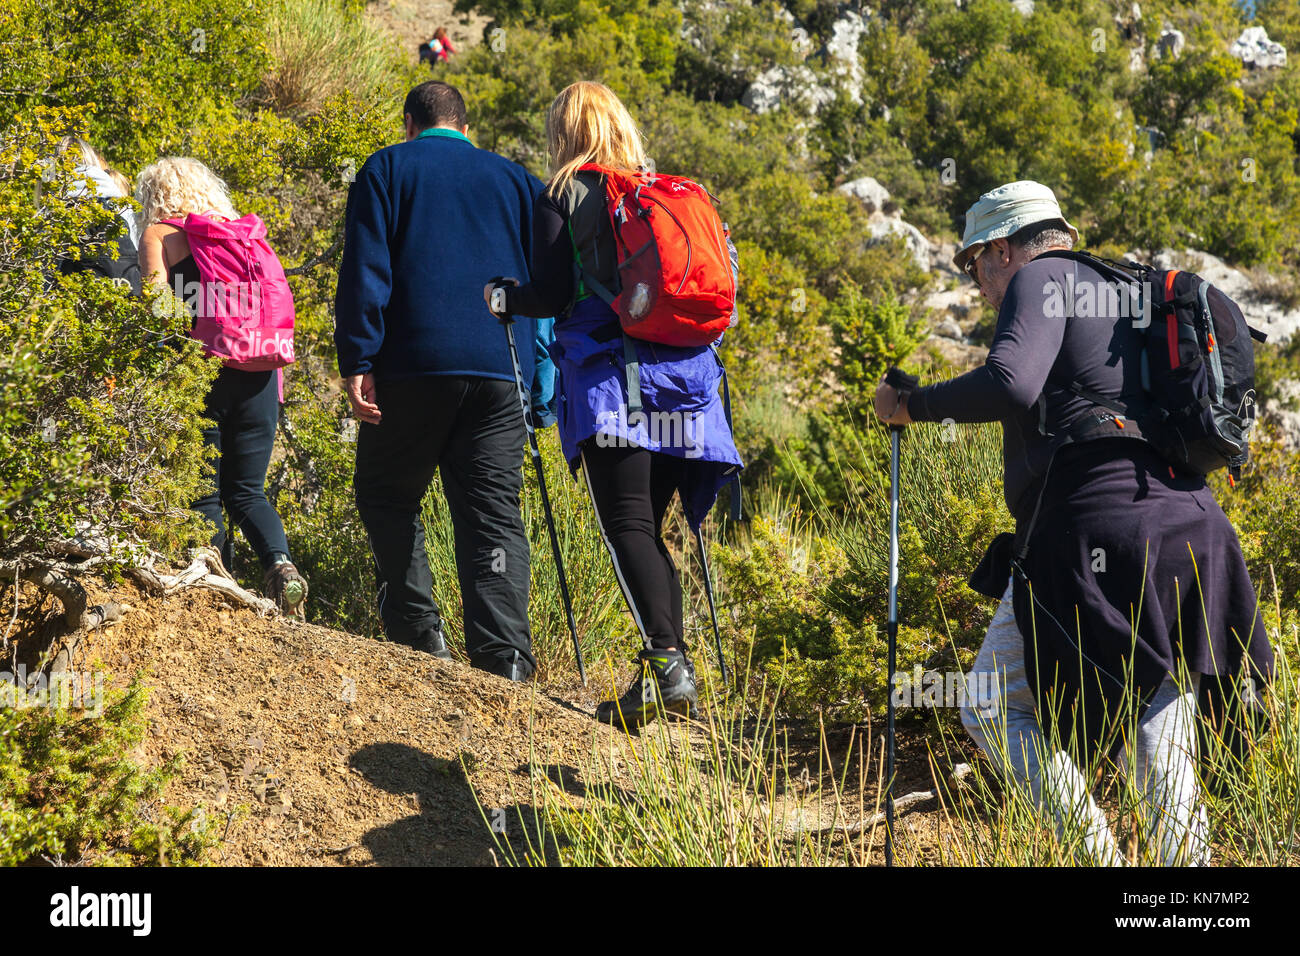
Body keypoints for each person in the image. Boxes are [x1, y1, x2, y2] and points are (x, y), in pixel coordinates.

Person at [874, 180, 1274, 865]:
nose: (978, 286)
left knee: (995, 705)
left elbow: (1010, 383)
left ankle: (1096, 856)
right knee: (1155, 722)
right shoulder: (1128, 290)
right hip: (1191, 529)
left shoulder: (1043, 278)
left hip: (1098, 531)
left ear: (1002, 249)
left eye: (974, 267)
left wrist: (911, 405)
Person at [484, 81, 743, 727]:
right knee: (650, 532)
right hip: (685, 379)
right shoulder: (668, 192)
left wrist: (502, 298)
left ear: (564, 132)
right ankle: (655, 681)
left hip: (612, 379)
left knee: (627, 525)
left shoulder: (565, 191)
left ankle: (667, 660)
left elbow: (546, 293)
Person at [335, 81, 551, 681]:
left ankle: (418, 636)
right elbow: (547, 285)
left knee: (388, 494)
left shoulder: (385, 169)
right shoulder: (516, 181)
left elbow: (366, 272)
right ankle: (504, 658)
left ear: (410, 123)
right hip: (502, 370)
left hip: (413, 365)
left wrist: (357, 358)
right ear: (464, 123)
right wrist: (541, 374)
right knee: (492, 514)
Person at [136, 157, 308, 617]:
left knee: (204, 492)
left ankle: (216, 596)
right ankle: (282, 566)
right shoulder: (246, 235)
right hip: (262, 374)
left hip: (203, 374)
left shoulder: (161, 234)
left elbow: (155, 311)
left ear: (153, 197)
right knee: (248, 491)